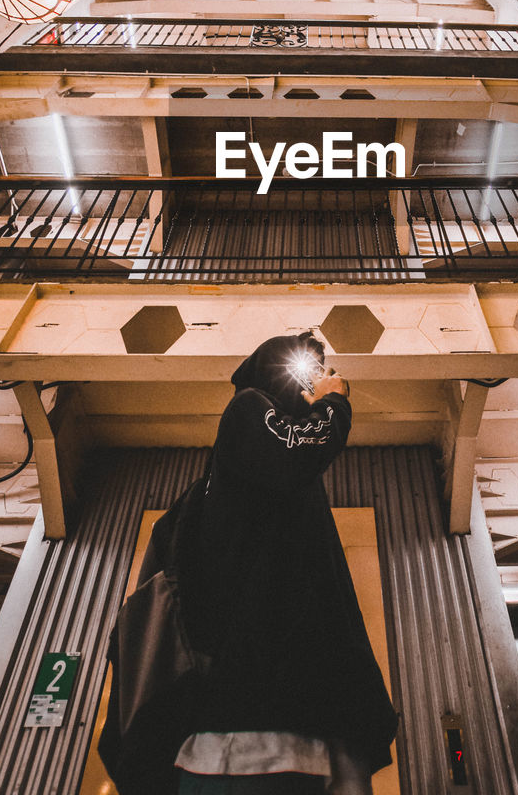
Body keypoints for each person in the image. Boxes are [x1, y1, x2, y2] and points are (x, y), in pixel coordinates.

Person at [99, 331, 398, 795]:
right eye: (305, 369)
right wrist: (336, 402)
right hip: (243, 738)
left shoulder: (271, 483)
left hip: (296, 721)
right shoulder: (248, 408)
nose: (317, 378)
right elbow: (302, 448)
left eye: (322, 370)